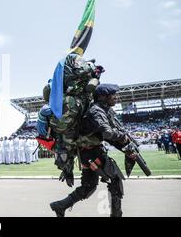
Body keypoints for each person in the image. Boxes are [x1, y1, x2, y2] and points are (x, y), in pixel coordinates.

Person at [49, 84, 129, 217]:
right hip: (92, 153)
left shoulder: (104, 110)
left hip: (88, 153)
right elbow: (107, 133)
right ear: (103, 97)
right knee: (115, 180)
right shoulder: (97, 110)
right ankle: (116, 214)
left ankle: (60, 206)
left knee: (89, 186)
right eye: (113, 94)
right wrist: (122, 137)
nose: (116, 97)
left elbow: (106, 134)